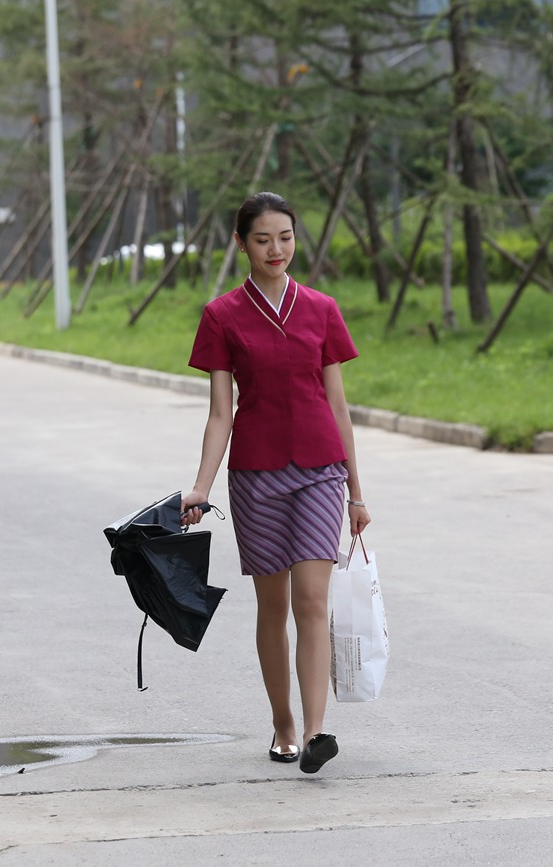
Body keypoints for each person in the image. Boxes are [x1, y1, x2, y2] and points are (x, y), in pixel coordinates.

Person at [181, 191, 370, 775]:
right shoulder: (222, 316)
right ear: (241, 243)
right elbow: (220, 413)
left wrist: (357, 492)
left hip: (320, 471)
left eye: (285, 238)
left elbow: (339, 406)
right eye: (263, 239)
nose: (276, 249)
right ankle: (283, 722)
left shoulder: (321, 308)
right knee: (274, 604)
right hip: (256, 475)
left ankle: (316, 732)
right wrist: (200, 487)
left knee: (313, 601)